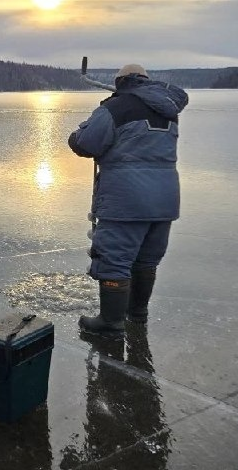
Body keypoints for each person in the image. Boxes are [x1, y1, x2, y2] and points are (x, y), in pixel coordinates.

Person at [68, 64, 188, 339]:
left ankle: (110, 322)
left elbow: (87, 143)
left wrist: (75, 137)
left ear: (120, 82)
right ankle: (137, 314)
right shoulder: (168, 111)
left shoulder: (116, 108)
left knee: (114, 258)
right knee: (146, 260)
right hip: (165, 198)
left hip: (126, 199)